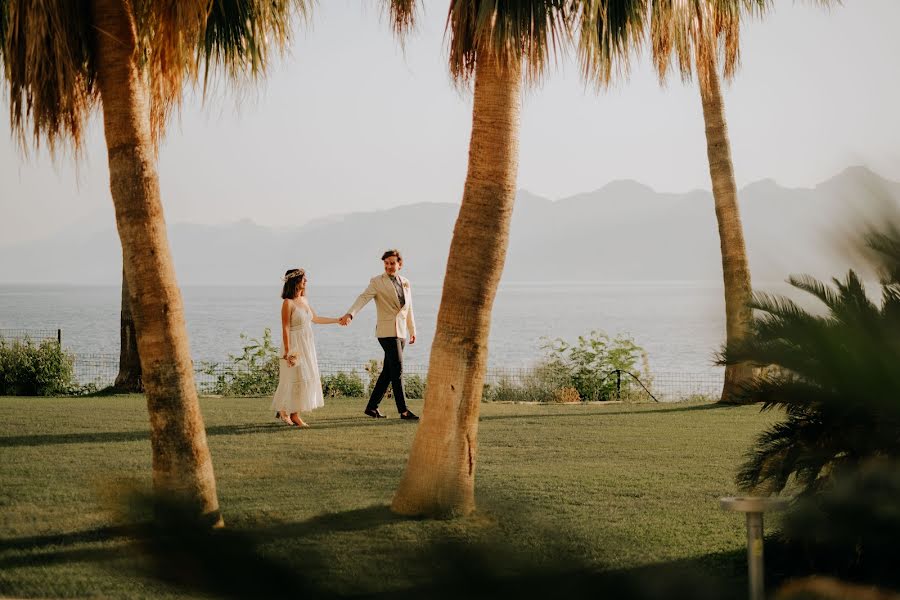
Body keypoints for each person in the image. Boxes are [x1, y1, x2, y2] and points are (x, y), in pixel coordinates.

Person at [340, 249, 419, 420]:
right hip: (386, 332)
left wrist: (412, 331)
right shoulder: (376, 281)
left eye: (392, 263)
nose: (389, 266)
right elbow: (363, 298)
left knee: (388, 372)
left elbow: (409, 309)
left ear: (400, 264)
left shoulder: (406, 282)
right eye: (386, 263)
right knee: (397, 369)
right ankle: (403, 411)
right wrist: (350, 314)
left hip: (401, 332)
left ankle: (371, 407)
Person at [273, 268, 343, 427]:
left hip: (307, 344)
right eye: (304, 279)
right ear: (295, 281)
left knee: (304, 378)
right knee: (294, 378)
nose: (306, 281)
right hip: (294, 345)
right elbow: (285, 327)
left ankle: (286, 410)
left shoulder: (304, 300)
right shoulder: (287, 303)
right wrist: (287, 351)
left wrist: (337, 320)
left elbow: (316, 319)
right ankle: (292, 414)